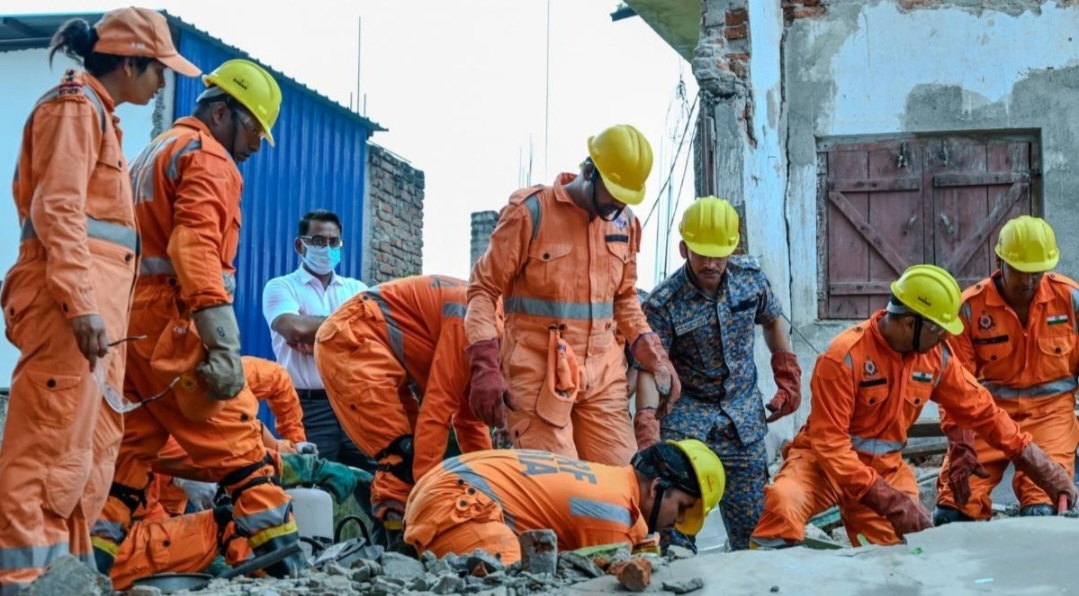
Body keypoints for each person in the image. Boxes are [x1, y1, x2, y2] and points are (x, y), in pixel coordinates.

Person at [0, 9, 199, 590]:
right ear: (130, 62)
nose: (162, 83)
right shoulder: (73, 109)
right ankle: (24, 579)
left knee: (84, 453)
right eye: (158, 70)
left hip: (92, 322)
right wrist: (82, 306)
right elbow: (58, 211)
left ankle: (66, 576)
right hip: (69, 315)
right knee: (49, 448)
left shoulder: (100, 117)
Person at [91, 59, 306, 578]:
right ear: (223, 112)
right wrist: (223, 343)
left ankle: (88, 568)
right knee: (242, 449)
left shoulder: (152, 153)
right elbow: (195, 249)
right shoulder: (208, 157)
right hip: (176, 324)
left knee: (128, 461)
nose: (256, 146)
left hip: (132, 328)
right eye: (254, 130)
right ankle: (291, 571)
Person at [749, 265, 1078, 548]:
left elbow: (984, 412)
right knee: (783, 503)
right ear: (910, 324)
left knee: (902, 557)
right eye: (939, 331)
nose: (945, 339)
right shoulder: (843, 357)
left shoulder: (934, 358)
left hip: (885, 470)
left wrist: (1044, 469)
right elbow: (829, 444)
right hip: (822, 466)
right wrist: (889, 500)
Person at [465, 124, 680, 465]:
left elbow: (625, 300)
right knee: (559, 484)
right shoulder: (531, 213)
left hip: (602, 377)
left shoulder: (624, 223)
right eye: (613, 193)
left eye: (626, 197)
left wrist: (657, 357)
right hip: (537, 375)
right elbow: (482, 288)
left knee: (621, 483)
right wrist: (484, 367)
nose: (618, 204)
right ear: (589, 171)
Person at [636, 196, 801, 551]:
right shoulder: (664, 303)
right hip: (687, 424)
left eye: (718, 255)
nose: (710, 263)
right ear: (684, 249)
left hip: (742, 421)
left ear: (732, 249)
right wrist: (647, 424)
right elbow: (650, 367)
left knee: (756, 531)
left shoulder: (750, 281)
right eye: (701, 254)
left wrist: (787, 375)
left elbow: (773, 320)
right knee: (675, 531)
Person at [314, 275, 494, 543]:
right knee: (401, 457)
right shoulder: (473, 325)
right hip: (351, 340)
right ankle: (399, 550)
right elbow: (438, 408)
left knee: (413, 455)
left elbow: (471, 422)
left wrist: (491, 484)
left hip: (372, 344)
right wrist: (428, 493)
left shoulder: (489, 340)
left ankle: (393, 545)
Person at [934, 216, 1079, 523]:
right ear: (999, 262)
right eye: (1020, 271)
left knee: (1042, 509)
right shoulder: (970, 308)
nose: (1029, 281)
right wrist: (961, 444)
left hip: (1050, 416)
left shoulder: (1070, 300)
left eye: (1036, 272)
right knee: (954, 508)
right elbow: (954, 387)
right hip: (989, 417)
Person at [403, 440, 724, 563]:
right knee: (520, 585)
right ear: (656, 488)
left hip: (448, 485)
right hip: (456, 500)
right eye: (682, 507)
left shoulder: (612, 482)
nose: (678, 521)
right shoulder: (616, 513)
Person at [261, 211, 378, 519]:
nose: (327, 248)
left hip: (354, 406)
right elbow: (293, 328)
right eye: (318, 240)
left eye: (333, 241)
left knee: (383, 486)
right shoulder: (281, 287)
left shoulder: (356, 289)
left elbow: (374, 337)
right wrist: (346, 330)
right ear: (300, 245)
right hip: (307, 408)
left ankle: (390, 543)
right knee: (303, 492)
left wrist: (316, 337)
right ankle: (302, 548)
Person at [110, 453, 371, 591]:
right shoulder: (149, 410)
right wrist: (306, 466)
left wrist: (191, 553)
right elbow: (231, 455)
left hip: (113, 539)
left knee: (225, 521)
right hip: (113, 553)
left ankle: (261, 578)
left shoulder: (130, 399)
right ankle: (287, 582)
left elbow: (239, 445)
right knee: (228, 523)